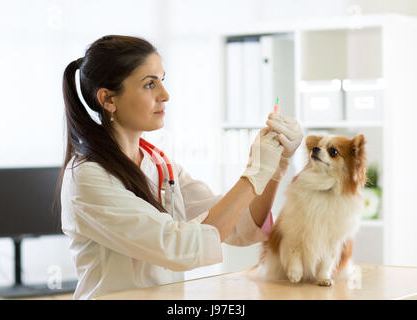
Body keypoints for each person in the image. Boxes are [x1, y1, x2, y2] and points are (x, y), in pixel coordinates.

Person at [59, 35, 303, 299]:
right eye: (149, 84)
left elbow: (238, 227)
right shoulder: (87, 177)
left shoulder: (159, 164)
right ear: (108, 99)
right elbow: (180, 247)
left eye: (162, 81)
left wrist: (276, 166)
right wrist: (254, 173)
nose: (165, 95)